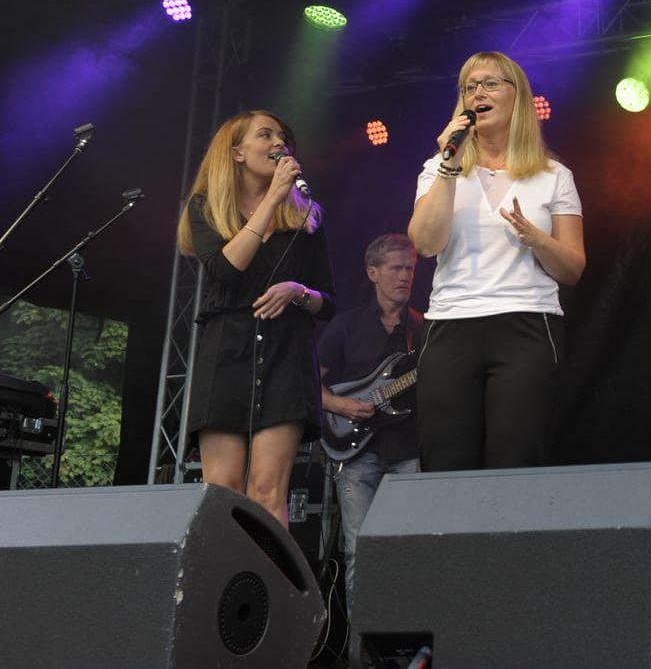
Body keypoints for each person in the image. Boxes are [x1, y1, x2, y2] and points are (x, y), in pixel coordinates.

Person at [407, 52, 584, 472]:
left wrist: (535, 238)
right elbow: (425, 243)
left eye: (490, 83)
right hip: (451, 323)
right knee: (446, 458)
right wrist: (450, 162)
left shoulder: (553, 175)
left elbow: (573, 268)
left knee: (516, 454)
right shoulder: (437, 168)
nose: (478, 93)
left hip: (526, 323)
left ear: (516, 96)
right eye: (470, 86)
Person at [177, 109, 335, 527]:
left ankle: (270, 591)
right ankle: (221, 590)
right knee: (222, 492)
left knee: (267, 491)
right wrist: (272, 199)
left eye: (282, 137)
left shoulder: (306, 216)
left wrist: (299, 292)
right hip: (225, 354)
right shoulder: (206, 207)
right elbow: (227, 270)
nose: (277, 143)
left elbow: (329, 301)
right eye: (264, 135)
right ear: (237, 153)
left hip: (286, 356)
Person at [318, 232, 423, 598]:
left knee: (410, 550)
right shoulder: (346, 325)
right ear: (373, 273)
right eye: (396, 268)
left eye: (410, 268)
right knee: (359, 552)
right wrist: (340, 405)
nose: (405, 276)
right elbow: (308, 384)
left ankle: (404, 642)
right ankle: (359, 650)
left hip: (409, 450)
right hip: (356, 454)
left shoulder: (423, 329)